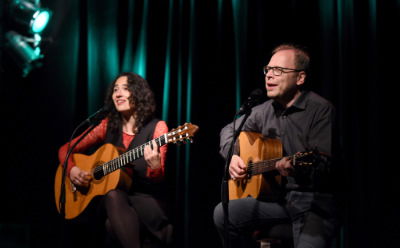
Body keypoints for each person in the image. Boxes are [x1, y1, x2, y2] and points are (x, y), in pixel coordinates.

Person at [213, 43, 339, 248]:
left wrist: (296, 169)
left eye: (278, 70)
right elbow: (229, 131)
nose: (269, 75)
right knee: (223, 213)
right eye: (268, 70)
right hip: (277, 201)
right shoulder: (263, 110)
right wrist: (233, 156)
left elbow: (324, 165)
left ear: (300, 78)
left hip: (314, 204)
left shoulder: (320, 110)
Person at [58, 72, 173, 248]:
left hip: (146, 202)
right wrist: (72, 169)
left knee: (111, 224)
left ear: (138, 94)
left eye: (125, 89)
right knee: (112, 197)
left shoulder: (158, 128)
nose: (117, 94)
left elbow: (157, 181)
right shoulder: (107, 125)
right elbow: (65, 150)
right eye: (115, 90)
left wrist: (155, 167)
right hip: (112, 203)